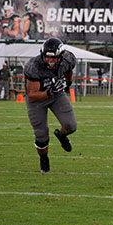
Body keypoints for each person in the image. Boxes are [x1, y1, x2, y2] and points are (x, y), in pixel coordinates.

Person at [24, 38, 77, 174]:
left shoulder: (67, 60)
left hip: (56, 95)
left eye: (53, 58)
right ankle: (44, 158)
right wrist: (50, 91)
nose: (50, 61)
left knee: (71, 125)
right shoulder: (33, 66)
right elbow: (32, 95)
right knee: (41, 135)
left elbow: (69, 71)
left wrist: (67, 84)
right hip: (38, 99)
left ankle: (61, 135)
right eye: (47, 57)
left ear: (61, 56)